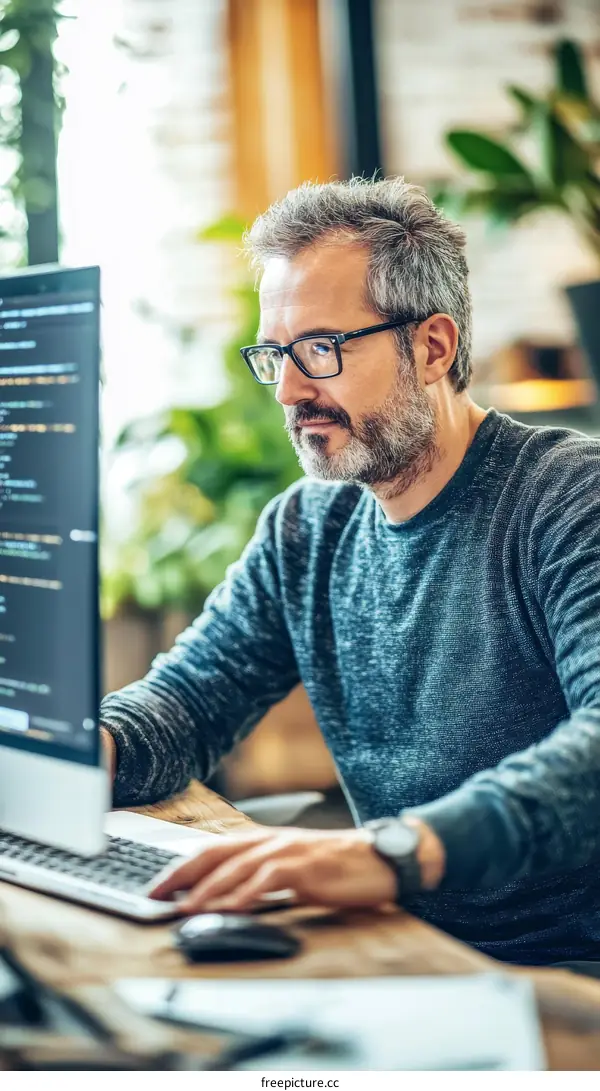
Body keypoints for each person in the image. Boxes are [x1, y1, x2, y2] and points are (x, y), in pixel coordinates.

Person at [101, 177, 600, 968]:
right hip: (399, 947)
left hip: (562, 971)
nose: (292, 390)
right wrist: (88, 750)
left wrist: (391, 852)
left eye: (322, 350)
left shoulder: (570, 500)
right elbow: (189, 700)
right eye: (276, 355)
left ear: (433, 346)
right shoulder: (309, 526)